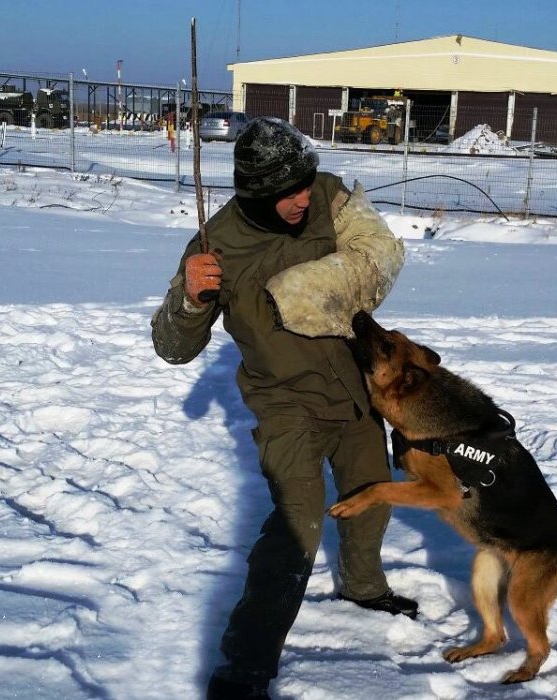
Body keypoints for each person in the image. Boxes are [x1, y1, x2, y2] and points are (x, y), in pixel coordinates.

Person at [150, 117, 415, 700]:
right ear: (253, 192)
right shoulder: (214, 246)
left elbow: (374, 257)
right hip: (285, 400)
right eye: (284, 194)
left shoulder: (328, 196)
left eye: (304, 186)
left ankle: (363, 588)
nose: (300, 201)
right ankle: (244, 667)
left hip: (353, 385)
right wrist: (191, 299)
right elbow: (172, 348)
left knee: (371, 495)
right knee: (298, 523)